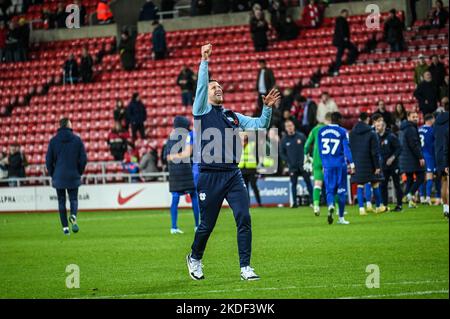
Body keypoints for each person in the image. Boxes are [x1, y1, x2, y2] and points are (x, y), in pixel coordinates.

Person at [187, 44, 280, 281]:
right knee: (206, 226)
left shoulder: (232, 116)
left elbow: (260, 125)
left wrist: (266, 108)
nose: (218, 89)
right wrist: (204, 62)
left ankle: (245, 267)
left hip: (233, 174)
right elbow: (200, 87)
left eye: (220, 87)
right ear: (206, 95)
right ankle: (195, 257)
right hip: (209, 176)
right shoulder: (200, 111)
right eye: (213, 87)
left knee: (244, 218)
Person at [46, 118, 87, 235]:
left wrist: (53, 174)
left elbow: (48, 161)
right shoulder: (77, 140)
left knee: (61, 201)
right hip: (73, 175)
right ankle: (73, 215)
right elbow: (83, 159)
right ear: (69, 125)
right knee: (73, 199)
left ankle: (65, 228)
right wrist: (79, 171)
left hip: (58, 176)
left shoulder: (53, 141)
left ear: (60, 125)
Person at [165, 116, 200, 234]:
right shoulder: (188, 136)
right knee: (194, 195)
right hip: (186, 170)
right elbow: (191, 153)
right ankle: (197, 225)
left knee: (175, 198)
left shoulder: (170, 138)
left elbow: (166, 156)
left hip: (174, 172)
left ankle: (173, 227)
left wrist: (173, 158)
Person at [318, 112, 354, 225]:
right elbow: (346, 149)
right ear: (339, 120)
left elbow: (320, 150)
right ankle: (341, 218)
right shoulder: (343, 131)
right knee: (341, 191)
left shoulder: (321, 131)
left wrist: (324, 164)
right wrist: (352, 163)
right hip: (340, 165)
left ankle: (330, 206)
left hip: (327, 165)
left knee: (329, 191)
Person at [350, 112, 388, 215]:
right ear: (367, 119)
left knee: (360, 185)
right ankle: (379, 206)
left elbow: (351, 149)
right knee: (375, 183)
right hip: (369, 163)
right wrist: (377, 166)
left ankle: (361, 209)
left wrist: (353, 163)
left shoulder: (352, 133)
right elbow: (374, 152)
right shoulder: (372, 133)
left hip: (358, 163)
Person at [281, 119, 313, 209]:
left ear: (294, 126)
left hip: (303, 165)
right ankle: (294, 203)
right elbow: (282, 153)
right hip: (292, 166)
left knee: (308, 183)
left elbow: (308, 148)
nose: (290, 128)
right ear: (285, 128)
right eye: (288, 126)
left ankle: (312, 202)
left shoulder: (301, 136)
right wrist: (288, 161)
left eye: (291, 125)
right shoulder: (284, 140)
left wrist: (307, 160)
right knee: (293, 184)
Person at [304, 112, 330, 216]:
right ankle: (335, 207)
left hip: (317, 160)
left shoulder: (315, 129)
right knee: (332, 185)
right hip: (328, 160)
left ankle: (315, 206)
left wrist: (306, 157)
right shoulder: (331, 129)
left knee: (317, 185)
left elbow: (306, 146)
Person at [399, 111, 425, 208]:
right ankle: (409, 194)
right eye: (413, 116)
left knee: (410, 179)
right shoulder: (411, 128)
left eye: (416, 116)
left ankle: (410, 202)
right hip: (412, 158)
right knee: (421, 176)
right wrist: (420, 157)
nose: (415, 118)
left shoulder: (403, 128)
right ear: (408, 117)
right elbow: (414, 144)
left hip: (405, 158)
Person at [375, 119, 403, 212]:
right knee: (383, 185)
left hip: (394, 165)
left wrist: (392, 157)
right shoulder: (376, 137)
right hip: (383, 166)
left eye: (379, 126)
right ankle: (385, 205)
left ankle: (399, 205)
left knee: (397, 184)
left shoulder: (391, 136)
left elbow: (399, 148)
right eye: (376, 125)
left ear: (383, 126)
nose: (376, 127)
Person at [418, 114, 439, 205]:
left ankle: (422, 197)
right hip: (429, 155)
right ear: (430, 120)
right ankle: (428, 198)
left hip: (420, 156)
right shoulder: (432, 130)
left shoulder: (419, 129)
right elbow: (434, 145)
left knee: (422, 177)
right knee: (429, 176)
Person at [434, 103, 449, 218]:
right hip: (447, 153)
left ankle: (446, 208)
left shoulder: (436, 124)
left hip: (439, 155)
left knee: (444, 181)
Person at [238, 134, 262, 207]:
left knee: (254, 186)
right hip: (242, 169)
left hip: (251, 169)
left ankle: (259, 203)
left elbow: (258, 155)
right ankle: (247, 204)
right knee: (245, 188)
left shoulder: (253, 145)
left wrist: (256, 165)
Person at [332, 9, 358, 75]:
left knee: (341, 54)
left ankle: (339, 67)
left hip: (342, 41)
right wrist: (345, 38)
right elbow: (342, 30)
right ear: (342, 13)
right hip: (342, 41)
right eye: (346, 14)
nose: (347, 15)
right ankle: (339, 67)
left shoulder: (339, 20)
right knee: (341, 54)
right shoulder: (341, 20)